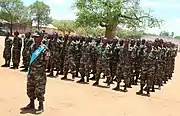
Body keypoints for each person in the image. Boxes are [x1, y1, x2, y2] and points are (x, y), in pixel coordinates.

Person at [20, 31, 50, 113]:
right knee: (30, 88)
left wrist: (42, 71)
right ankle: (31, 103)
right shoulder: (32, 47)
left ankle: (41, 105)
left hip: (39, 73)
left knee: (39, 89)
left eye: (37, 37)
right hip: (31, 72)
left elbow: (47, 62)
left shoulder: (44, 49)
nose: (35, 39)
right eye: (34, 37)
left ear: (41, 38)